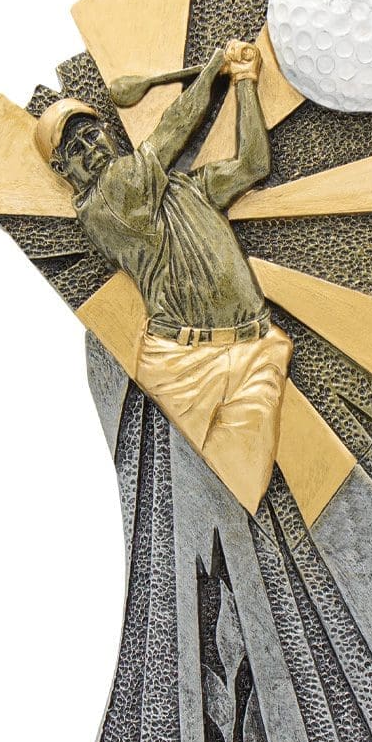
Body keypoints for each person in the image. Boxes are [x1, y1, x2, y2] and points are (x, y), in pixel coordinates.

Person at [35, 40, 291, 512]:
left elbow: (254, 165)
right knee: (213, 502)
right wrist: (214, 68)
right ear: (61, 169)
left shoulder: (181, 188)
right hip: (184, 365)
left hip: (254, 350)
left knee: (246, 497)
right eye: (74, 149)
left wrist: (245, 82)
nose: (91, 149)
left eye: (92, 134)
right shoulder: (105, 201)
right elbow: (172, 131)